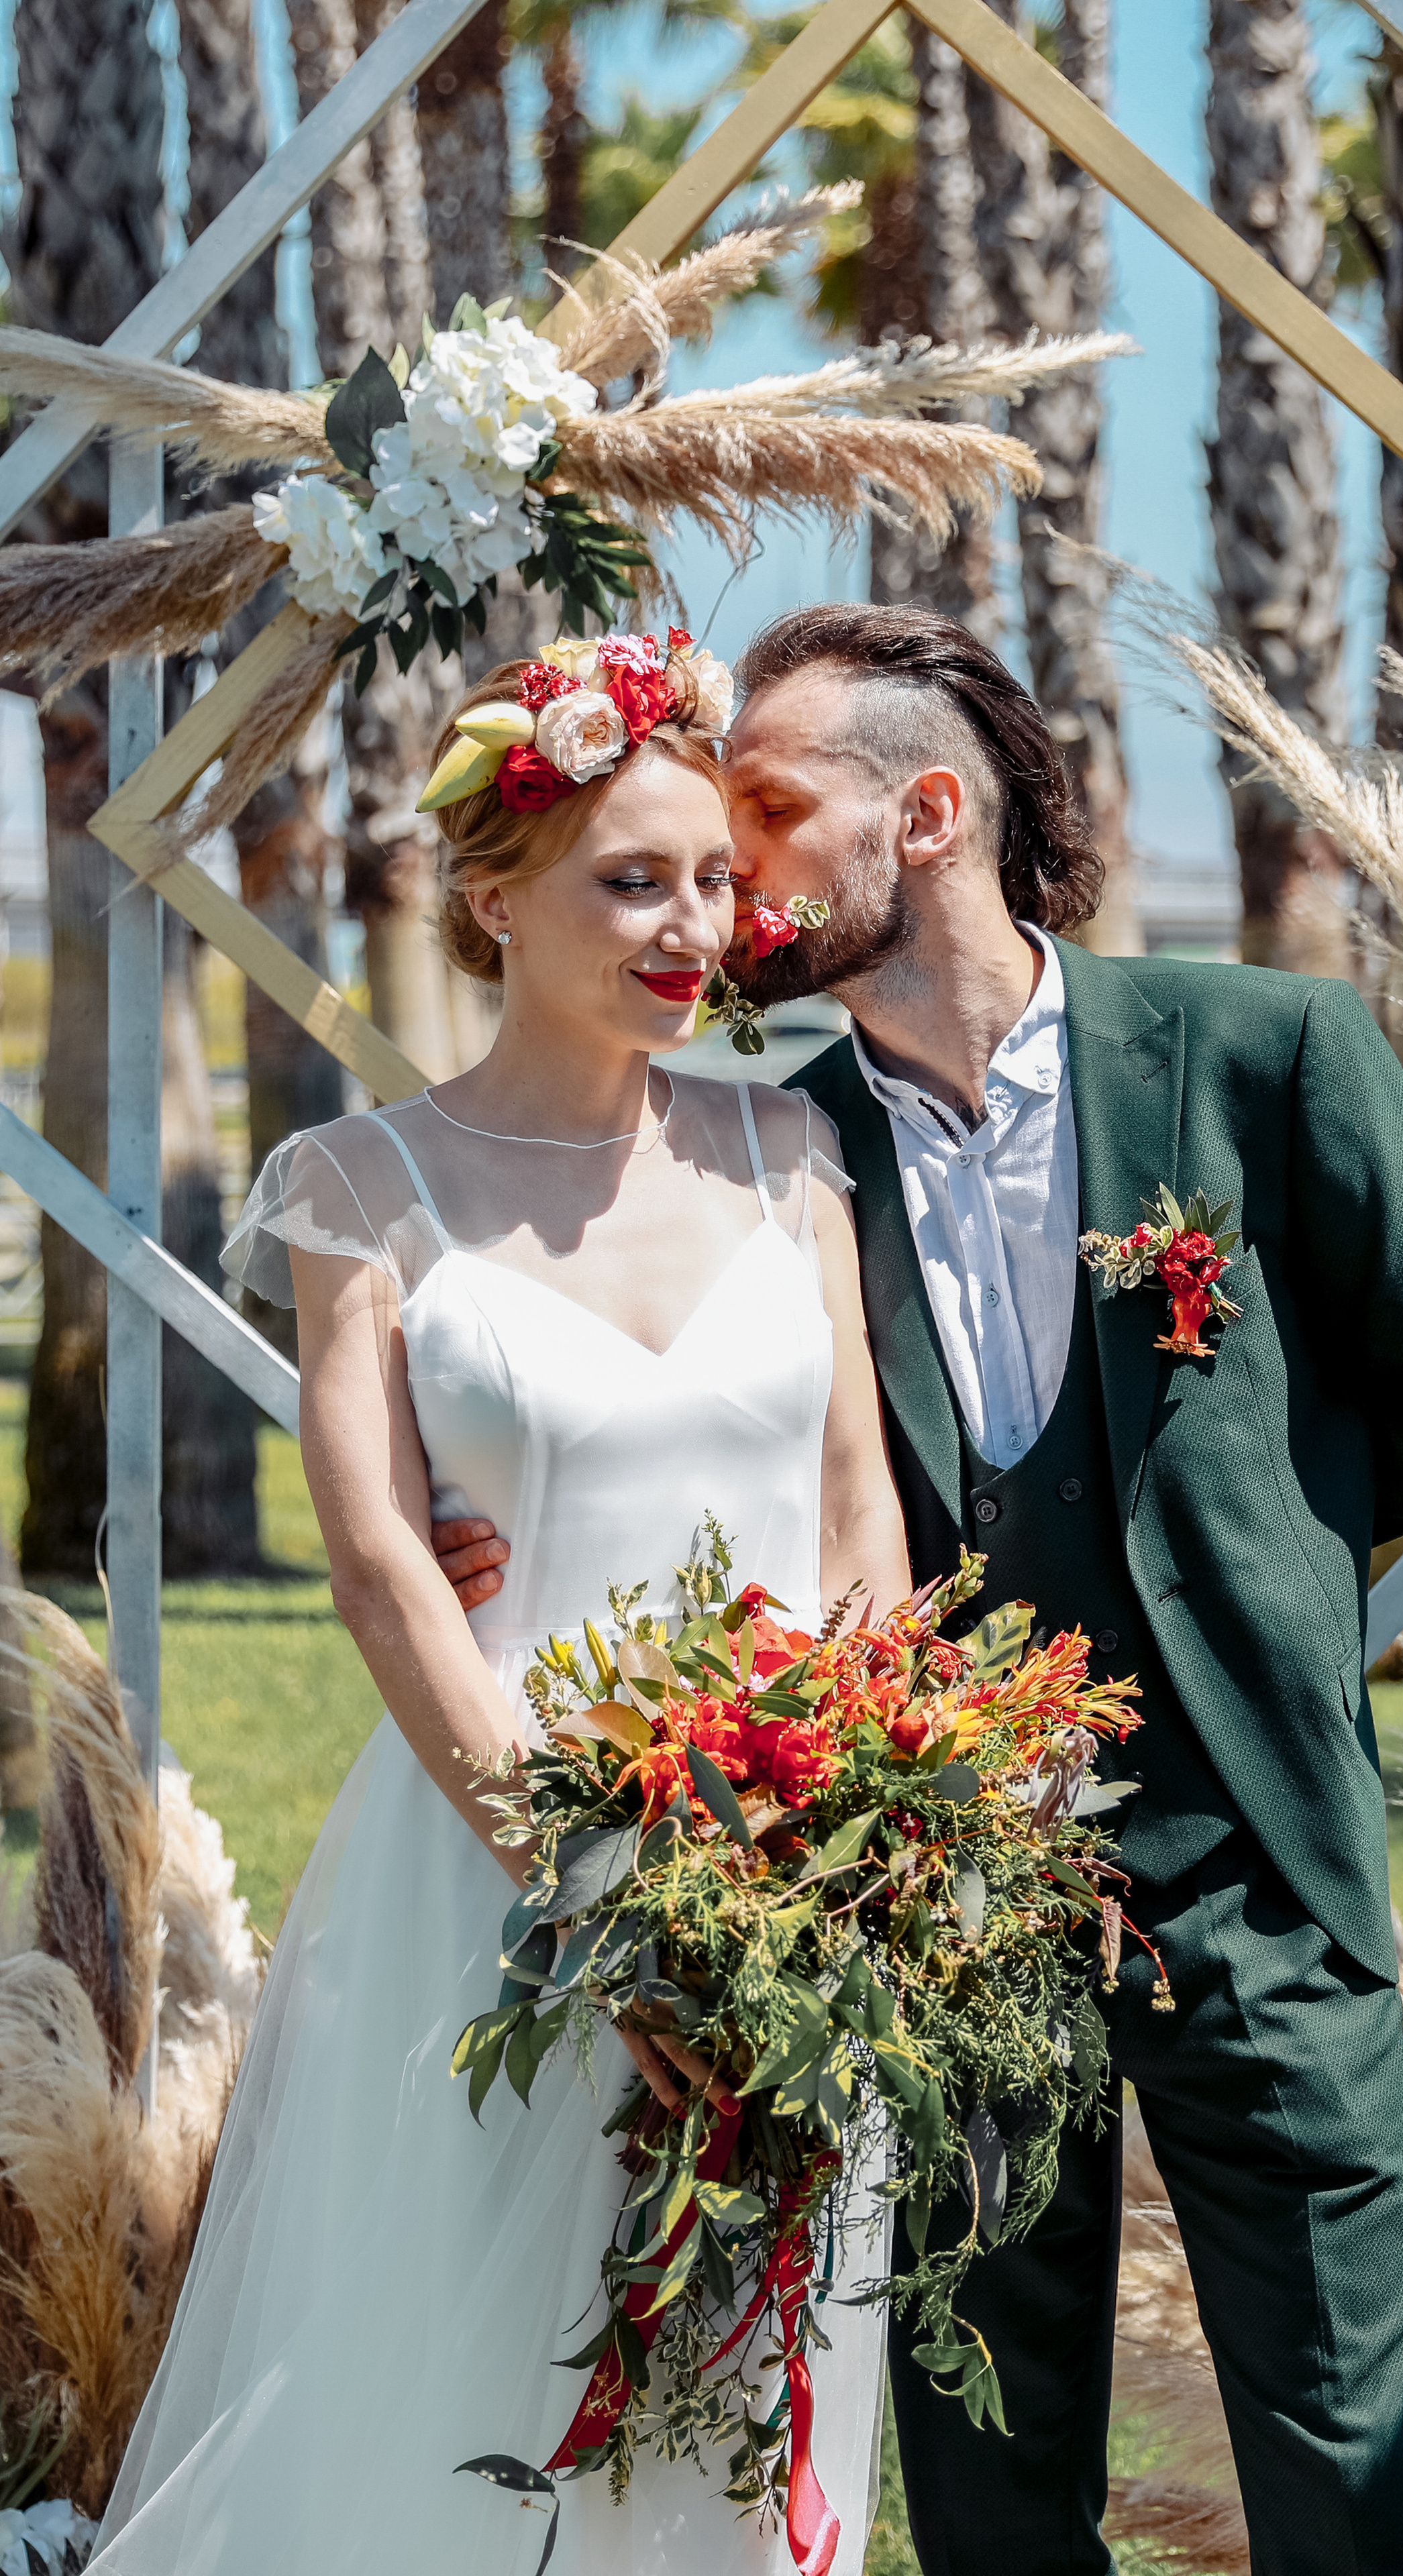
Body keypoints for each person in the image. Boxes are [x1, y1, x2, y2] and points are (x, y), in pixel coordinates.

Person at [434, 604, 1403, 2576]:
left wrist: (1270, 1561)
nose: (727, 852)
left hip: (1262, 1879)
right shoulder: (771, 1152)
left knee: (1340, 2455)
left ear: (931, 816)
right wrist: (507, 1536)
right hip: (946, 1910)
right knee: (988, 2469)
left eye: (769, 805)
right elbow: (664, 1413)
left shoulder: (1260, 1050)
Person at [91, 634, 911, 2576]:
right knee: (461, 2390)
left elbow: (855, 1500)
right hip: (502, 1872)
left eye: (714, 878)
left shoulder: (793, 1157)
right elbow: (383, 1566)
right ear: (493, 895)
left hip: (793, 1869)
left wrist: (854, 1815)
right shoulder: (362, 1191)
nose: (690, 923)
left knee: (748, 2372)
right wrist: (594, 1894)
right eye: (634, 879)